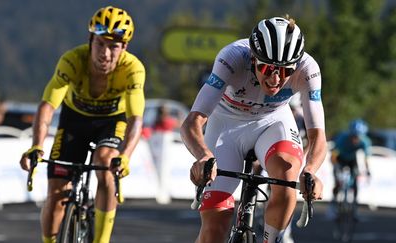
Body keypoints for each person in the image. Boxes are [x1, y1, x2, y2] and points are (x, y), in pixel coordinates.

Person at [181, 16, 326, 243]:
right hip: (226, 124)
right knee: (214, 229)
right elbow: (192, 121)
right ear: (252, 57)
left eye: (285, 70)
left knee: (288, 175)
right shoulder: (232, 58)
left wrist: (311, 171)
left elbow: (317, 135)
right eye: (267, 67)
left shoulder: (308, 70)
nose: (275, 78)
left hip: (273, 122)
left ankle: (274, 239)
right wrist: (203, 156)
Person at [19, 6, 145, 243]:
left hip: (111, 122)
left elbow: (135, 118)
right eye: (100, 44)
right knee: (56, 195)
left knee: (106, 163)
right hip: (74, 120)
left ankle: (101, 240)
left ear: (124, 47)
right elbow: (47, 106)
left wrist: (125, 156)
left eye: (113, 46)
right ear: (90, 40)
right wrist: (36, 146)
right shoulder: (72, 61)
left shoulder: (133, 69)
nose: (105, 54)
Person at [329, 119, 371, 218]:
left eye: (358, 137)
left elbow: (366, 158)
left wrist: (368, 170)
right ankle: (334, 203)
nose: (355, 139)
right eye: (354, 136)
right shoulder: (342, 138)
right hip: (339, 159)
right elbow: (334, 155)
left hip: (352, 160)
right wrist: (336, 166)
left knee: (355, 182)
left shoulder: (365, 142)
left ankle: (354, 208)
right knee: (338, 182)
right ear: (350, 134)